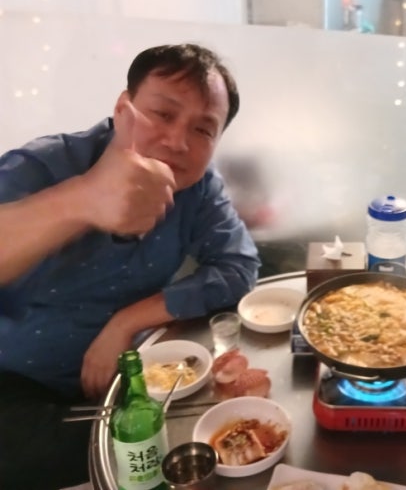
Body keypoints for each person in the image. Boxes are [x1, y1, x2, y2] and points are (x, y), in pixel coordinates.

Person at [0, 43, 261, 489]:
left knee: (213, 438)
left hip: (135, 376)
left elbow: (238, 266)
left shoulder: (197, 187)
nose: (177, 141)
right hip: (17, 380)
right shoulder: (44, 166)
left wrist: (127, 322)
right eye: (163, 114)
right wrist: (83, 199)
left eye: (202, 129)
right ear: (123, 108)